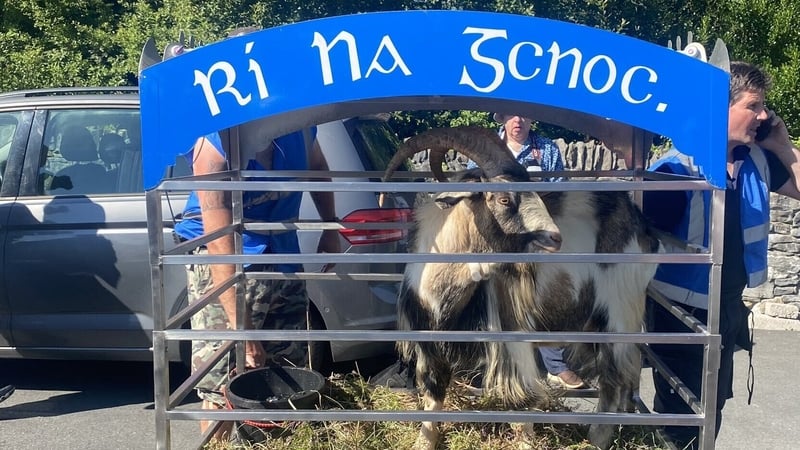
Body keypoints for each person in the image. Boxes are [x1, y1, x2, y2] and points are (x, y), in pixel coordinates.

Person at [643, 61, 800, 449]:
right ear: (719, 107)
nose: (763, 115)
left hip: (727, 307)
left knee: (713, 407)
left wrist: (781, 144)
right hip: (679, 312)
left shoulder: (758, 161)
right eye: (754, 106)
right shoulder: (674, 170)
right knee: (681, 415)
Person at [173, 127, 340, 439]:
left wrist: (330, 226)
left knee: (287, 374)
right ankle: (218, 443)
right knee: (224, 379)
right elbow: (219, 248)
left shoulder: (300, 129)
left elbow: (316, 167)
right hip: (226, 261)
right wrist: (243, 330)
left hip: (282, 256)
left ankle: (275, 441)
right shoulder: (215, 142)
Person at [470, 113, 584, 389]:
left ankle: (555, 366)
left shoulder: (546, 149)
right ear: (503, 120)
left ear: (532, 120)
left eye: (523, 115)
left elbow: (560, 191)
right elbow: (471, 190)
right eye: (511, 116)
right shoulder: (483, 148)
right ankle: (489, 365)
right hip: (496, 236)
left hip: (534, 234)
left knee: (543, 293)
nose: (517, 121)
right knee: (492, 297)